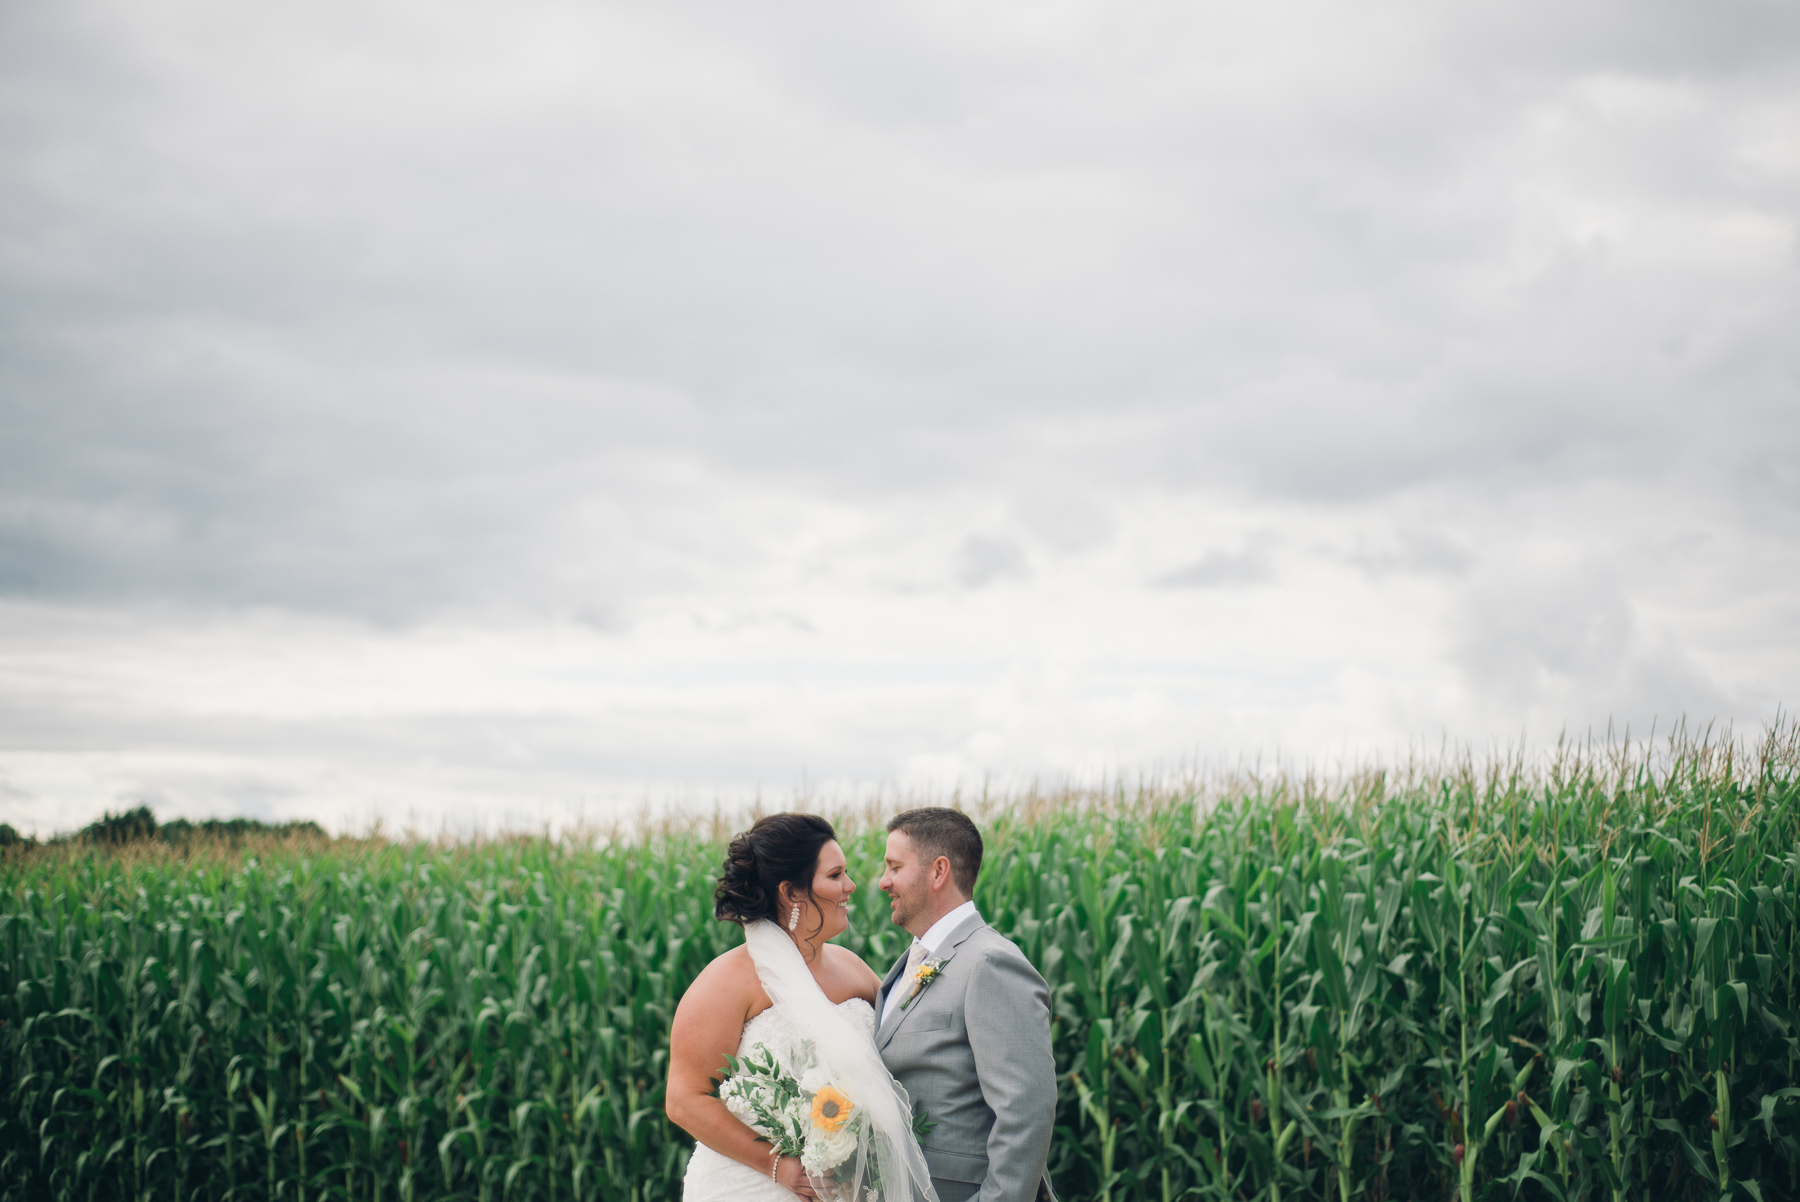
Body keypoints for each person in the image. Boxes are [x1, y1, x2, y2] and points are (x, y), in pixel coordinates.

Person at [668, 813, 937, 1201]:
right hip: (750, 1186)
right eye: (835, 875)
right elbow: (684, 1099)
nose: (851, 886)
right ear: (791, 892)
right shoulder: (725, 982)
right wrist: (777, 1167)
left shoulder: (853, 970)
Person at [875, 809, 1057, 1202]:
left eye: (894, 866)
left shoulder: (990, 963)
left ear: (938, 871)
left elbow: (1026, 1111)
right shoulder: (910, 962)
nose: (882, 882)